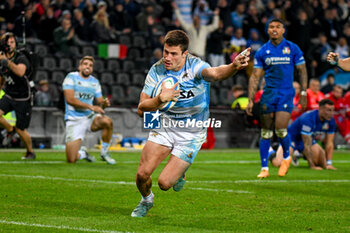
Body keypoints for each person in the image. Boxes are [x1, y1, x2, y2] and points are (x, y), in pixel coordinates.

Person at [131, 30, 250, 217]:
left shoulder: (196, 66)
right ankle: (146, 200)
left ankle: (181, 170)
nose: (167, 57)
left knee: (164, 183)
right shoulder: (157, 70)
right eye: (165, 52)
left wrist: (233, 67)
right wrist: (160, 99)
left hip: (192, 131)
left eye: (173, 54)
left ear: (185, 54)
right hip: (165, 124)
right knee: (142, 174)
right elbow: (141, 108)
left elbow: (215, 73)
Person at [246, 19, 308, 179]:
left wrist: (303, 93)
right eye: (271, 27)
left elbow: (302, 71)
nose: (274, 29)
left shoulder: (292, 48)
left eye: (277, 27)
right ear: (268, 31)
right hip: (269, 94)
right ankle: (264, 168)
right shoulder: (262, 51)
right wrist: (251, 99)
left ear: (283, 30)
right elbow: (255, 76)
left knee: (281, 129)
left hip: (286, 93)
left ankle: (286, 158)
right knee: (265, 132)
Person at [62, 56, 116, 165]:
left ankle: (104, 153)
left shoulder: (95, 82)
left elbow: (100, 104)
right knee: (71, 160)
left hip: (89, 117)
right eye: (85, 64)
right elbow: (70, 99)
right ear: (80, 66)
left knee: (107, 122)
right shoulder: (71, 77)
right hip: (74, 119)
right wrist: (91, 107)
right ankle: (83, 154)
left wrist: (104, 104)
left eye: (90, 65)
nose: (88, 67)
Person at [269, 99, 337, 170]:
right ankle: (270, 150)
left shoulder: (330, 121)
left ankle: (298, 154)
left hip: (303, 140)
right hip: (291, 138)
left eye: (332, 110)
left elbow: (329, 143)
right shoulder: (308, 119)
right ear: (321, 109)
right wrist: (312, 165)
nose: (331, 113)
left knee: (321, 163)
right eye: (329, 110)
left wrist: (328, 163)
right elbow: (306, 144)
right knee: (278, 163)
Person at [0, 32, 35, 159]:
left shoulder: (20, 57)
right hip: (9, 94)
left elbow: (20, 72)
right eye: (7, 42)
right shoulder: (1, 57)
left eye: (12, 42)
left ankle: (30, 152)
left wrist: (7, 62)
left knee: (21, 129)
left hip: (23, 97)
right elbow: (2, 76)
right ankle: (10, 130)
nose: (9, 45)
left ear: (15, 44)